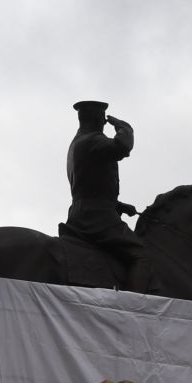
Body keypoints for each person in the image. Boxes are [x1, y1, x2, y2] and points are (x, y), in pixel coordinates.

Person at [64, 100, 146, 292]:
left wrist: (117, 205)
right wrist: (123, 127)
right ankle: (132, 310)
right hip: (96, 216)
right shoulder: (91, 141)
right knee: (140, 254)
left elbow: (88, 186)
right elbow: (122, 146)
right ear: (97, 119)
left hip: (85, 211)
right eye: (102, 119)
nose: (104, 123)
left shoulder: (78, 143)